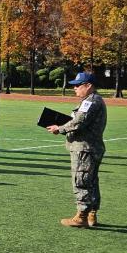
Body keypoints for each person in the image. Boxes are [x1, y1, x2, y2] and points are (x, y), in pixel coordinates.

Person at [46, 72, 107, 228]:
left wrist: (59, 128)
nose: (74, 88)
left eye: (78, 85)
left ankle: (81, 216)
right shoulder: (91, 100)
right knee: (91, 181)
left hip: (85, 148)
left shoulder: (91, 101)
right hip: (89, 147)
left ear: (89, 86)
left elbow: (80, 121)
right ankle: (92, 215)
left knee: (81, 181)